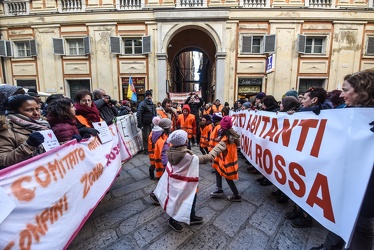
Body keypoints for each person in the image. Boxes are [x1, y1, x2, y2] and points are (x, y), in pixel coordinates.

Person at [311, 69, 374, 250]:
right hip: (347, 173)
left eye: (346, 90)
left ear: (363, 91)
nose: (342, 94)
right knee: (340, 211)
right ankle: (330, 246)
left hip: (367, 182)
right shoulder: (349, 111)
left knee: (362, 224)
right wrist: (315, 116)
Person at [153, 129, 225, 232]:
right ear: (185, 141)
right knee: (180, 201)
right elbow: (205, 158)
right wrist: (218, 148)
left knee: (185, 200)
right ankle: (173, 220)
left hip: (175, 183)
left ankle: (191, 216)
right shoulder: (187, 156)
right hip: (184, 185)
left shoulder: (171, 151)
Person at [0, 95, 49, 169]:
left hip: (44, 172)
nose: (36, 113)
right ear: (14, 111)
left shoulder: (43, 125)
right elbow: (3, 160)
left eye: (37, 109)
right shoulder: (6, 129)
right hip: (25, 176)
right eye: (29, 110)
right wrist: (29, 145)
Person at [210, 116, 241, 201]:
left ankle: (237, 195)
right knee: (217, 170)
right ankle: (219, 189)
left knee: (228, 177)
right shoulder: (231, 133)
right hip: (226, 157)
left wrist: (210, 155)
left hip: (226, 158)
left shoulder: (226, 136)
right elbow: (238, 144)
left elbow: (221, 144)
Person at [137, 90, 157, 154]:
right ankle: (146, 149)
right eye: (148, 96)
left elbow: (154, 112)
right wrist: (140, 123)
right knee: (146, 137)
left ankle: (150, 148)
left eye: (150, 96)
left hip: (152, 122)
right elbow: (139, 113)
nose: (149, 97)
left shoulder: (152, 104)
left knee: (151, 136)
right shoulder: (142, 104)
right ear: (145, 96)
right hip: (145, 123)